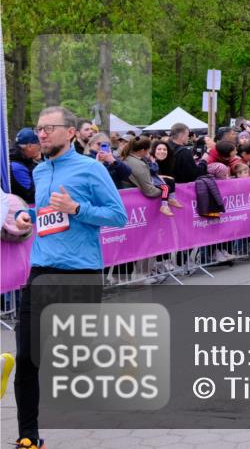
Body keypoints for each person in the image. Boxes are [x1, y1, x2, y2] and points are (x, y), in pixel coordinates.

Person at [11, 107, 127, 449]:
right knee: (28, 358)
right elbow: (44, 210)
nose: (41, 135)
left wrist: (77, 209)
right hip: (42, 271)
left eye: (49, 129)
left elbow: (118, 215)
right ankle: (28, 436)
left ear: (70, 133)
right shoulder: (41, 170)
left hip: (81, 273)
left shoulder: (91, 169)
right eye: (39, 128)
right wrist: (24, 216)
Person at [10, 128, 41, 205]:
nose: (41, 147)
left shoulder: (25, 158)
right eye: (38, 144)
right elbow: (31, 194)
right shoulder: (16, 167)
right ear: (30, 146)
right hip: (25, 209)